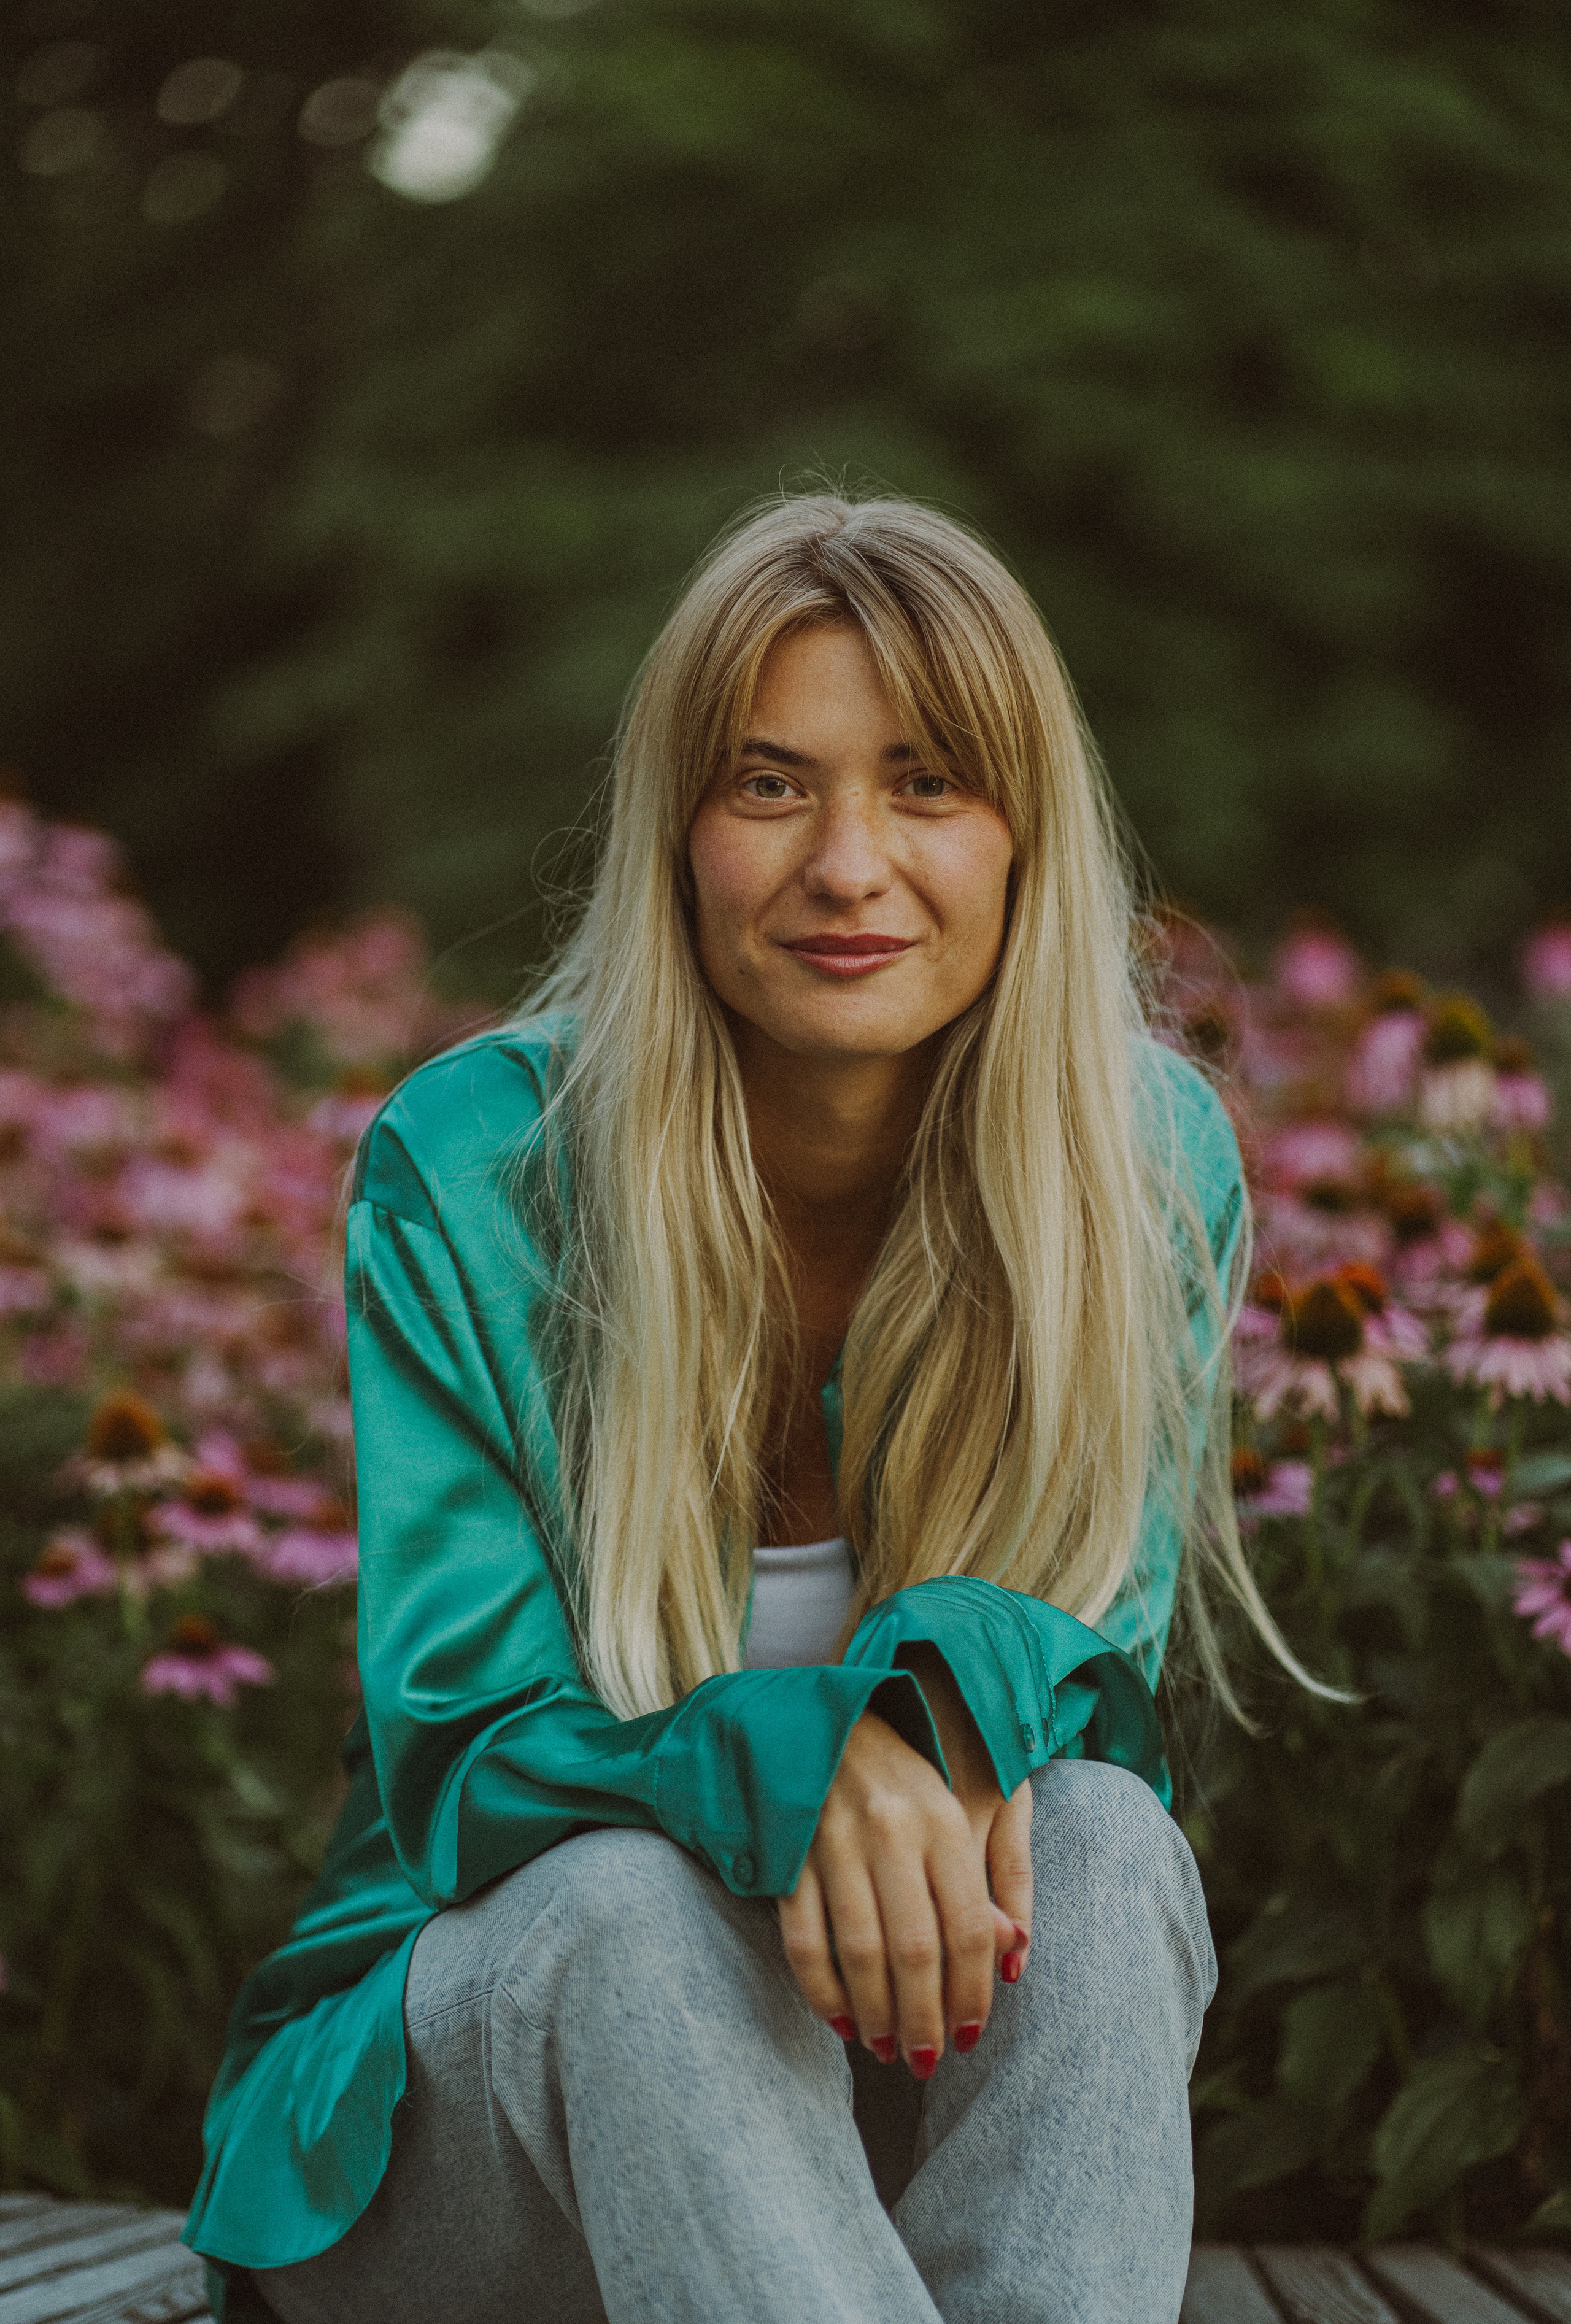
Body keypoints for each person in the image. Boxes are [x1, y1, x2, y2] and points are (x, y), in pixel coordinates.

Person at [183, 492, 1281, 2324]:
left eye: (928, 783)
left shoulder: (1141, 1166)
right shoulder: (471, 1166)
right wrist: (800, 1764)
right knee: (628, 1913)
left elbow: (1094, 1665)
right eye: (771, 786)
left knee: (1099, 1841)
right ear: (680, 835)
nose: (849, 864)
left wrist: (914, 1712)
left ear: (1025, 834)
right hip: (477, 2123)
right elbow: (465, 1754)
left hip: (879, 2099)